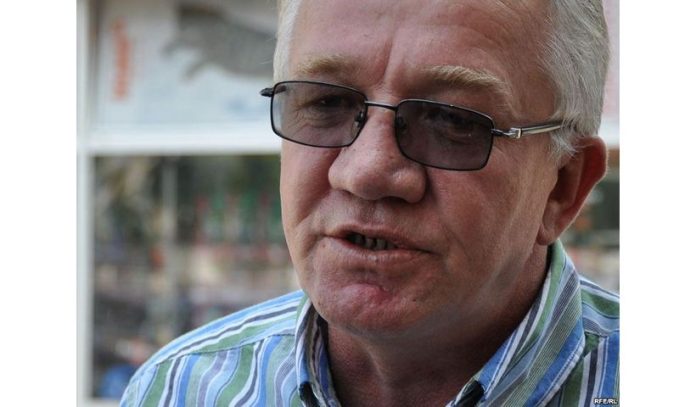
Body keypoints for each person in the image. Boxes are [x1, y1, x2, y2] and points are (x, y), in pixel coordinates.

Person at [121, 0, 619, 405]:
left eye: (452, 120)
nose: (366, 171)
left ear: (563, 186)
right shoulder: (180, 390)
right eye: (327, 103)